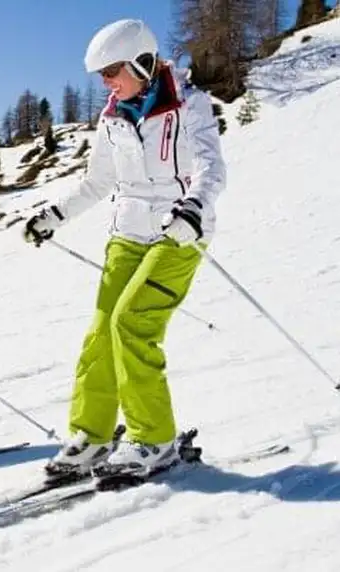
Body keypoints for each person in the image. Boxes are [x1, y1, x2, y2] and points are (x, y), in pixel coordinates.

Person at [23, 19, 226, 478]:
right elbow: (98, 181)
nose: (107, 82)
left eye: (113, 70)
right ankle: (92, 436)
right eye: (102, 75)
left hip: (178, 232)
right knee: (100, 334)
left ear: (143, 61)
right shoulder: (113, 116)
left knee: (130, 325)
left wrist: (194, 208)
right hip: (127, 234)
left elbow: (212, 167)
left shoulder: (189, 105)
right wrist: (54, 215)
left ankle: (154, 439)